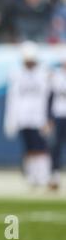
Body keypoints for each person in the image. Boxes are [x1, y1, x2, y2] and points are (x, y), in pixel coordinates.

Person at [4, 41, 52, 187]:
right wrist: (11, 121)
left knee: (41, 148)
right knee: (29, 148)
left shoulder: (45, 74)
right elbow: (12, 99)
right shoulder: (16, 75)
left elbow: (50, 98)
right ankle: (32, 176)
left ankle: (43, 175)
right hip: (23, 118)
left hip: (39, 118)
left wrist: (49, 119)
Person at [49, 58, 66, 189]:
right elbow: (49, 97)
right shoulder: (56, 76)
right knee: (56, 147)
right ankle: (55, 175)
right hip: (59, 115)